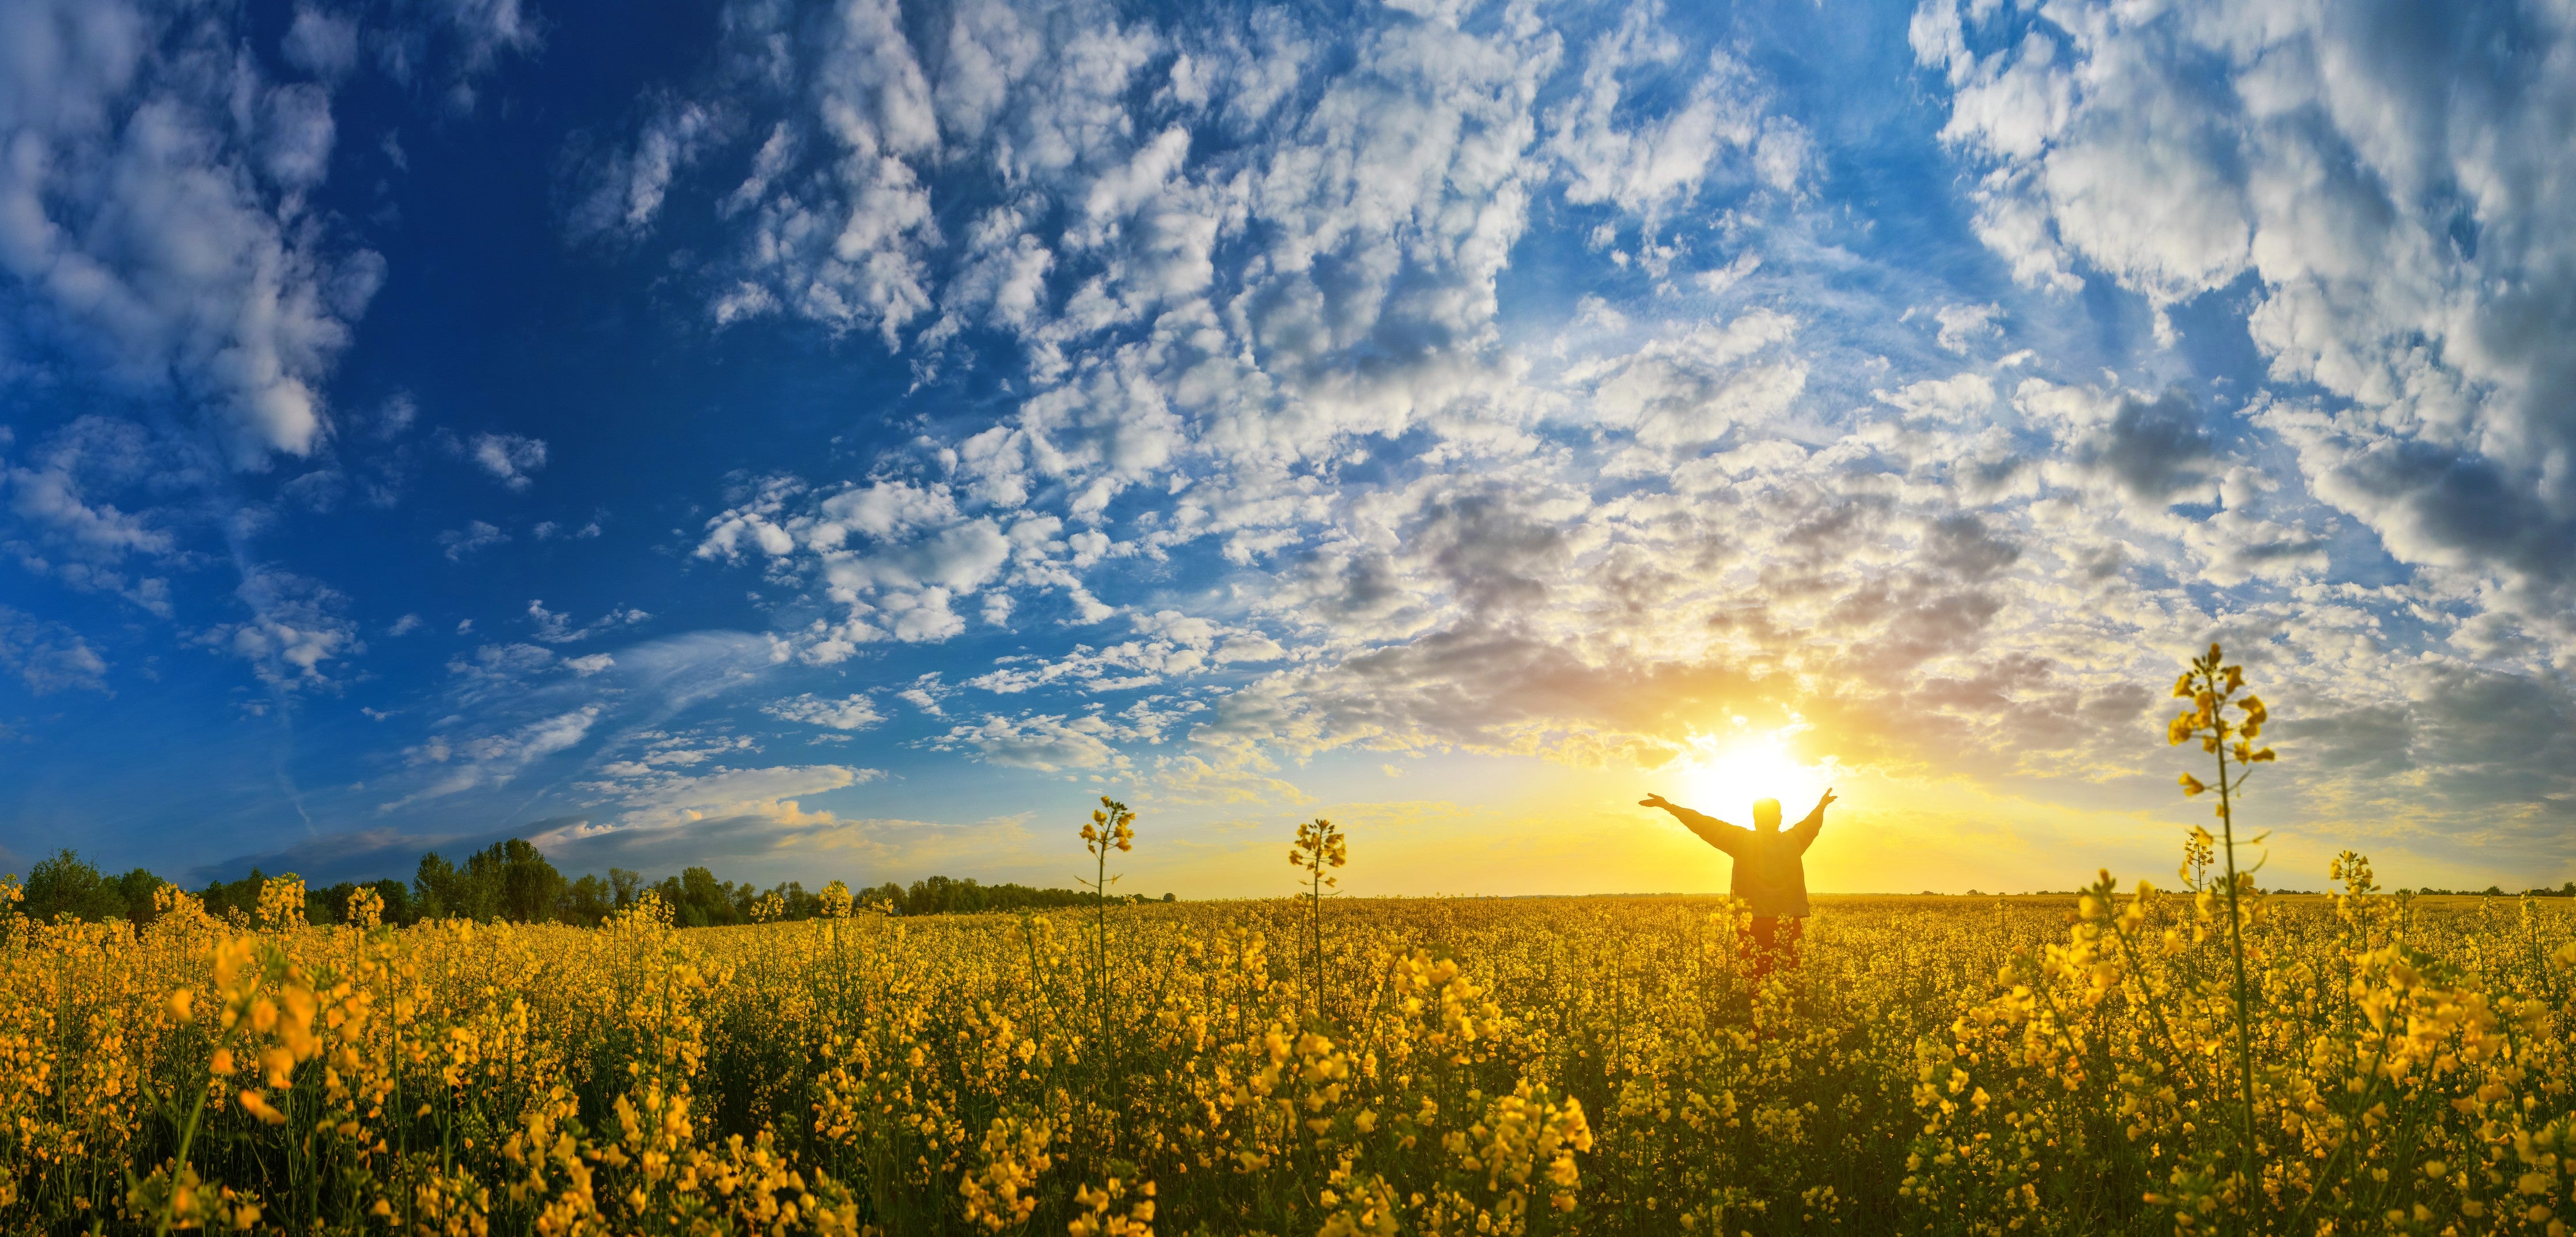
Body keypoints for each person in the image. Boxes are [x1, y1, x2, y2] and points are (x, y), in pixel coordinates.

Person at [1640, 788, 1836, 979]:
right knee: (1789, 978)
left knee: (1756, 979)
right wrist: (1821, 806)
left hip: (1752, 924)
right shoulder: (1795, 840)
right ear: (1780, 818)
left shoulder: (1742, 841)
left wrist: (1668, 806)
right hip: (1788, 922)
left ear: (1755, 818)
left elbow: (1704, 824)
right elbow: (1812, 824)